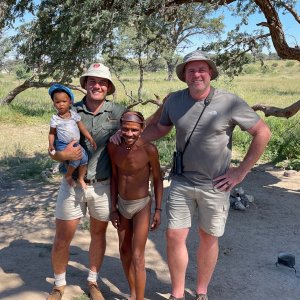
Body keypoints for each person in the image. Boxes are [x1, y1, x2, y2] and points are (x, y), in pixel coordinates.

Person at [138, 50, 271, 300]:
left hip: (216, 185)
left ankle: (201, 292)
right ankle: (177, 293)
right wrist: (133, 141)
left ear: (210, 73)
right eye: (191, 70)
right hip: (181, 181)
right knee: (174, 235)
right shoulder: (175, 101)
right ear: (184, 76)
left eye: (201, 69)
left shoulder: (229, 102)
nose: (196, 74)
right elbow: (159, 128)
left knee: (208, 238)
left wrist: (240, 172)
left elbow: (263, 132)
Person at [47, 63, 127, 300]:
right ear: (85, 85)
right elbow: (52, 149)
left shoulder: (119, 113)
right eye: (92, 81)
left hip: (102, 186)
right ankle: (59, 285)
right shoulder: (70, 110)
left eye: (102, 82)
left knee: (98, 235)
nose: (97, 85)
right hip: (72, 184)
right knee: (63, 237)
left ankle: (93, 281)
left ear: (109, 87)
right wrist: (61, 156)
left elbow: (134, 138)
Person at [108, 111, 163, 300]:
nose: (129, 134)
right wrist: (113, 208)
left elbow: (157, 178)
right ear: (120, 128)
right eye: (125, 129)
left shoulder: (149, 150)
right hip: (122, 204)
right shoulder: (113, 147)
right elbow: (114, 178)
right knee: (124, 251)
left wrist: (158, 209)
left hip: (142, 205)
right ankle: (133, 292)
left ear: (142, 129)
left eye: (133, 130)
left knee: (138, 256)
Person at [48, 84, 97, 190]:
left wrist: (90, 138)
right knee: (75, 159)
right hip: (62, 144)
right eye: (57, 102)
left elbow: (82, 128)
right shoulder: (55, 119)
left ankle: (80, 178)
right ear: (54, 104)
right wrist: (51, 144)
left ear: (70, 102)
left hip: (75, 143)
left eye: (64, 101)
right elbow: (51, 133)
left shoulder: (74, 115)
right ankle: (68, 175)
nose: (61, 104)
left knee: (84, 159)